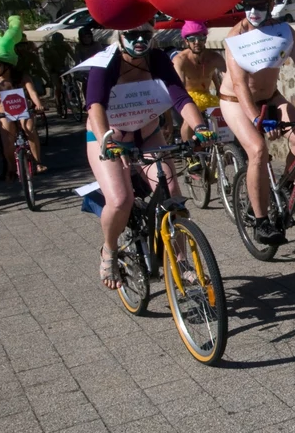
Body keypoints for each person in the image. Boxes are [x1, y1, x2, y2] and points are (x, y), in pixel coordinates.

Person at [84, 22, 213, 289]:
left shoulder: (156, 59)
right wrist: (105, 141)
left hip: (148, 132)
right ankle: (109, 250)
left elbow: (179, 97)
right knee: (120, 200)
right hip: (109, 136)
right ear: (120, 35)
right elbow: (95, 103)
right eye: (132, 33)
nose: (139, 39)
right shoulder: (105, 62)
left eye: (145, 34)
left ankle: (180, 261)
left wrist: (200, 127)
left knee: (172, 193)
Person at [219, 0, 295, 245]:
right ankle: (261, 222)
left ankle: (287, 187)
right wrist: (258, 121)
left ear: (270, 6)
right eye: (248, 5)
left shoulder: (283, 30)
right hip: (236, 102)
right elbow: (239, 85)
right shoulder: (235, 38)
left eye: (260, 5)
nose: (254, 11)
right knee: (258, 150)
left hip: (270, 97)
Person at [0, 17, 47, 179]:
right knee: (7, 144)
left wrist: (38, 104)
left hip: (24, 108)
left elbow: (32, 92)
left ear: (6, 65)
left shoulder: (22, 77)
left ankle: (37, 162)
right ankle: (10, 168)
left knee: (29, 130)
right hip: (4, 111)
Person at [172, 20, 226, 165]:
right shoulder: (181, 60)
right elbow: (179, 87)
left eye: (201, 38)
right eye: (192, 39)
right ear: (186, 41)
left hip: (208, 96)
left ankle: (224, 150)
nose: (197, 42)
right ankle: (189, 157)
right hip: (187, 97)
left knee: (225, 116)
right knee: (188, 120)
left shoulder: (214, 57)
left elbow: (229, 77)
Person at [41, 32, 73, 117]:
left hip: (63, 66)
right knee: (58, 87)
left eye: (60, 40)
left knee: (70, 81)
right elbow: (46, 61)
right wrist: (50, 68)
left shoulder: (65, 45)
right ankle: (59, 105)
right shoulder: (48, 47)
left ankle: (71, 98)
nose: (59, 42)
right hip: (53, 68)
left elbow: (72, 54)